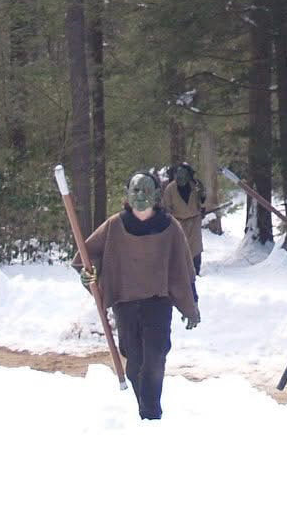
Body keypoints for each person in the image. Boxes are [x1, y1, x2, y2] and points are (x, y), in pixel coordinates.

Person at [73, 170, 200, 420]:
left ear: (157, 195)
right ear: (128, 195)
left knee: (155, 357)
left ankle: (150, 414)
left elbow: (183, 269)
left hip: (158, 302)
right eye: (136, 190)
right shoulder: (114, 225)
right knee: (134, 363)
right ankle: (146, 408)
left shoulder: (170, 227)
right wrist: (89, 275)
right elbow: (87, 257)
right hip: (126, 302)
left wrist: (190, 305)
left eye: (146, 191)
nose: (140, 196)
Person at [161, 162, 207, 276]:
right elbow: (166, 207)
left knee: (195, 248)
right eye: (179, 174)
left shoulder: (195, 185)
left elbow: (203, 199)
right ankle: (180, 273)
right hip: (178, 222)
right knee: (179, 248)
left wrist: (202, 205)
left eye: (183, 174)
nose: (180, 177)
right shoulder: (170, 189)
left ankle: (196, 272)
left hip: (194, 221)